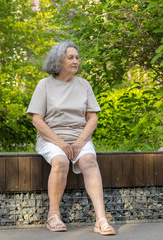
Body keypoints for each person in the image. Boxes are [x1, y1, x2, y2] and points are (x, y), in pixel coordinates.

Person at [26, 41, 116, 235]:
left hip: (78, 140)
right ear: (59, 61)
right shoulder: (45, 85)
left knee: (90, 160)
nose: (76, 61)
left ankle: (101, 219)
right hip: (51, 140)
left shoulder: (84, 84)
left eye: (77, 57)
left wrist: (79, 142)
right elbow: (37, 120)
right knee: (60, 161)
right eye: (71, 58)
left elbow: (92, 118)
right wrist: (61, 144)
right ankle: (53, 215)